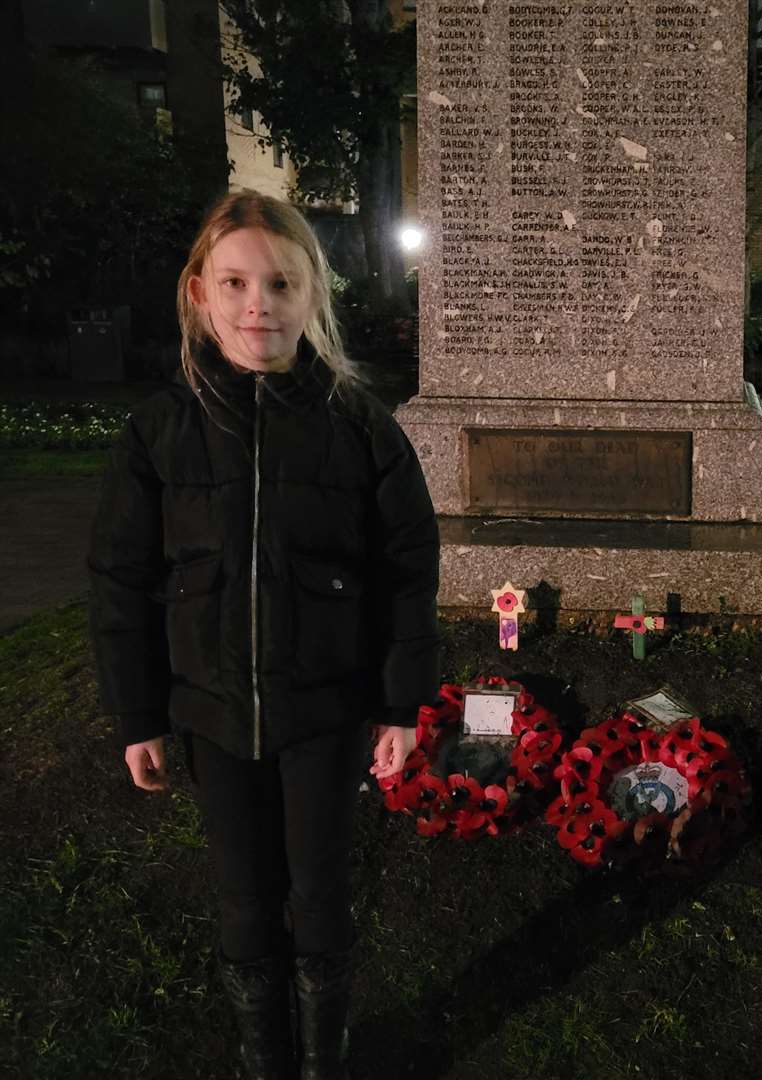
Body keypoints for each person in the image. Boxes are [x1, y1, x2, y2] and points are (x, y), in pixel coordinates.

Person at [88, 190, 440, 1080]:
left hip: (322, 712)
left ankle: (326, 1053)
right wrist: (139, 715)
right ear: (200, 294)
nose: (259, 305)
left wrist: (398, 703)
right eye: (237, 282)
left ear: (311, 295)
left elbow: (407, 572)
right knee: (244, 899)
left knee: (319, 891)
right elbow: (122, 581)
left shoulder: (360, 429)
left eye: (281, 284)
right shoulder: (160, 429)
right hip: (209, 714)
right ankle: (263, 1056)